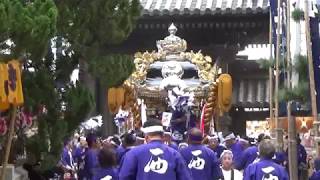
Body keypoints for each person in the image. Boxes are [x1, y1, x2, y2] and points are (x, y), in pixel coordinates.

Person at [119, 119, 192, 180]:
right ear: (163, 136)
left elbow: (124, 177)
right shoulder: (175, 154)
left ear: (146, 137)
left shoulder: (133, 154)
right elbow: (185, 178)